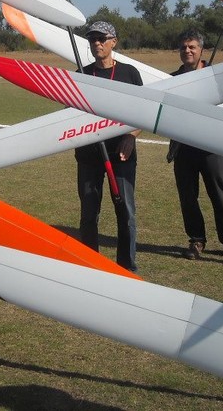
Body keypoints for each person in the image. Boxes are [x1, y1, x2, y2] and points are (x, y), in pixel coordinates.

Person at [166, 30, 223, 261]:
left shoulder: (215, 76)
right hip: (183, 148)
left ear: (201, 50)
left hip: (212, 147)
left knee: (220, 195)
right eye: (183, 47)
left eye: (192, 47)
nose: (187, 51)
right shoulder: (172, 79)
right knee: (188, 197)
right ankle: (196, 240)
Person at [74, 21, 143, 272]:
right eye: (92, 39)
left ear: (114, 41)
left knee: (126, 213)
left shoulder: (129, 73)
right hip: (88, 156)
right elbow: (69, 114)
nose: (97, 43)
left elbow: (142, 112)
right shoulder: (80, 74)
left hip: (121, 154)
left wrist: (131, 136)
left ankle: (126, 267)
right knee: (88, 214)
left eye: (102, 38)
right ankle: (91, 266)